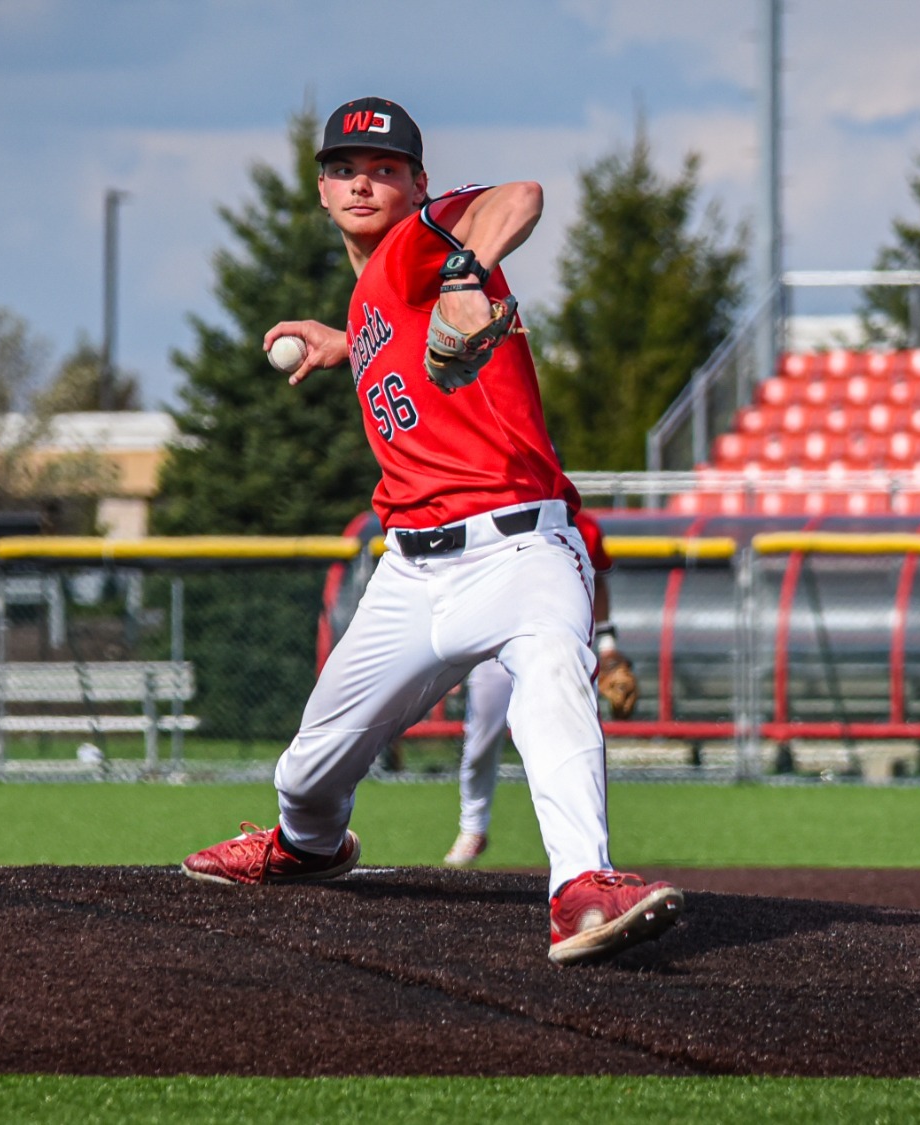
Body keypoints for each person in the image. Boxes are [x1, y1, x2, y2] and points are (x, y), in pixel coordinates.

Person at [181, 96, 682, 965]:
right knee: (305, 772)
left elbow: (517, 196)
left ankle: (582, 886)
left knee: (553, 687)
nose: (364, 182)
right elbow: (403, 330)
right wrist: (350, 341)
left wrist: (464, 273)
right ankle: (308, 848)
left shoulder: (427, 241)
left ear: (417, 182)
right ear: (324, 189)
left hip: (522, 548)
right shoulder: (377, 290)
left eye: (384, 169)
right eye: (345, 169)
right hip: (412, 575)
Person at [443, 508, 634, 868]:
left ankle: (584, 852)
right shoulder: (483, 511)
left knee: (575, 743)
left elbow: (598, 581)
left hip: (558, 644)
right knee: (481, 742)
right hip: (492, 645)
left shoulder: (580, 523)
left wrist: (607, 645)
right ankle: (472, 827)